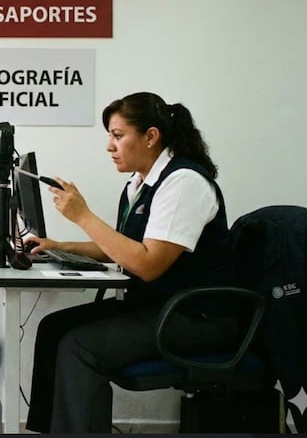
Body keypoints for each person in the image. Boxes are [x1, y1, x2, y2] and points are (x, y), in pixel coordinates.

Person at [24, 92, 240, 433]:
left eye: (117, 135)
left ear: (151, 136)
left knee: (79, 347)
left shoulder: (184, 183)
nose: (110, 147)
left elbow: (147, 264)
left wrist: (83, 216)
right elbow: (123, 248)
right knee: (53, 329)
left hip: (198, 316)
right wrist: (58, 246)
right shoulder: (138, 184)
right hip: (159, 306)